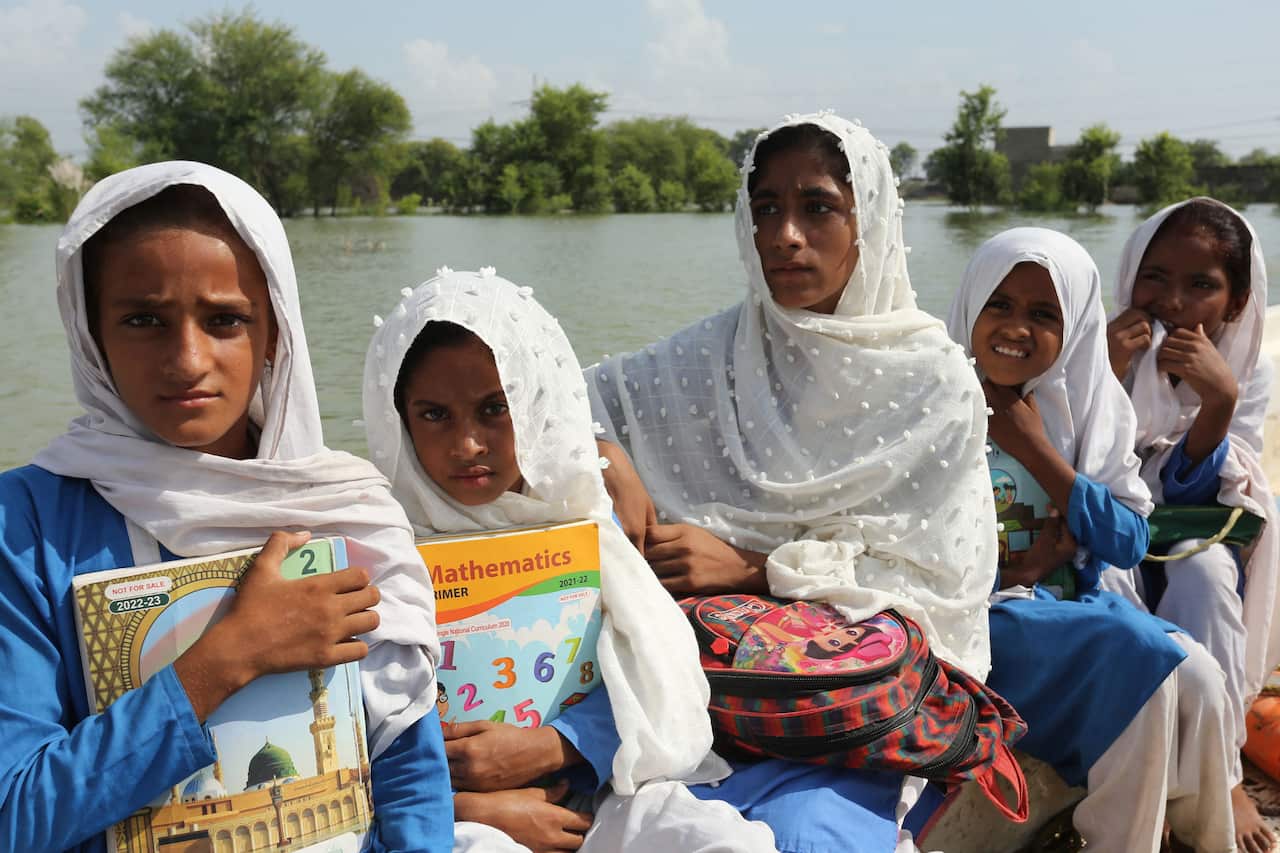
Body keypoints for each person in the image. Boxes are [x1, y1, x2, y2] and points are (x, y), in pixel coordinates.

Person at [0, 162, 450, 852]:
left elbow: (406, 774)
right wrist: (224, 660)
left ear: (274, 334)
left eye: (225, 320)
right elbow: (17, 813)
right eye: (144, 319)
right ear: (91, 334)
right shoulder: (26, 524)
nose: (187, 359)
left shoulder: (345, 510)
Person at [588, 111, 997, 853]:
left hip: (844, 686)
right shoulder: (718, 352)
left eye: (817, 207)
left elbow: (937, 583)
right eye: (766, 208)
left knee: (808, 835)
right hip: (704, 664)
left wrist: (754, 568)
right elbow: (563, 396)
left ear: (868, 217)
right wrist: (612, 456)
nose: (784, 235)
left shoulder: (935, 382)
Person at [362, 268, 778, 853]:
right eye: (434, 415)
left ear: (534, 404)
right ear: (398, 419)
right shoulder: (375, 540)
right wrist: (469, 805)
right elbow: (350, 738)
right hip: (453, 809)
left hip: (604, 784)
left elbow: (656, 683)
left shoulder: (581, 517)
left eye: (495, 409)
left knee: (711, 838)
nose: (468, 446)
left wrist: (557, 745)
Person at [948, 226, 1236, 853]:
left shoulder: (1086, 404)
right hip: (974, 622)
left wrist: (1037, 450)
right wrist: (1017, 576)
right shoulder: (936, 404)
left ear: (1076, 325)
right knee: (1138, 655)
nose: (1016, 327)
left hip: (1065, 607)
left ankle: (1206, 838)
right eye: (999, 304)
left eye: (1043, 314)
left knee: (1204, 678)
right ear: (970, 305)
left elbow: (1130, 540)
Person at [1108, 198, 1280, 853]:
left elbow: (1212, 491)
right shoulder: (1100, 350)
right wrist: (1104, 371)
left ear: (1235, 304)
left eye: (1202, 285)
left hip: (1195, 532)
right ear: (1130, 276)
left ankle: (1224, 772)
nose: (1173, 301)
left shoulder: (1245, 366)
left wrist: (1219, 401)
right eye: (1155, 277)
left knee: (1205, 574)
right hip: (1113, 535)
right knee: (1111, 571)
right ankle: (1138, 765)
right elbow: (1084, 462)